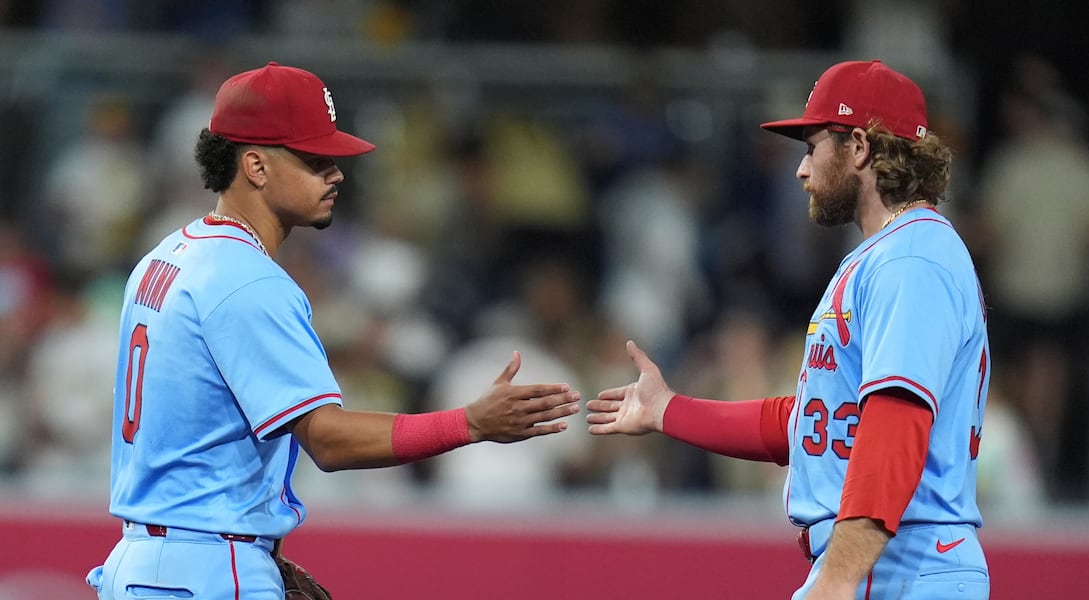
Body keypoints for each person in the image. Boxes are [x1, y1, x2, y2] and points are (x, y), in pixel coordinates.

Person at [85, 61, 581, 599]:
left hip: (145, 562)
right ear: (255, 165)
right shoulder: (249, 280)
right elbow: (328, 440)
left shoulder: (166, 257)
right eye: (315, 159)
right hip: (206, 566)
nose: (336, 173)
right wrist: (471, 424)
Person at [587, 59, 991, 599]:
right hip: (884, 561)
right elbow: (812, 424)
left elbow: (896, 427)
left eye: (812, 147)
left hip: (902, 564)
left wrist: (838, 579)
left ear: (859, 149)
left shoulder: (912, 259)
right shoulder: (886, 256)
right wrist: (668, 410)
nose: (801, 171)